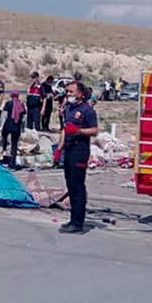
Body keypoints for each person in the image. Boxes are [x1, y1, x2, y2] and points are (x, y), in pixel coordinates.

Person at [57, 80, 98, 233]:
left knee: (78, 186)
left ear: (80, 94)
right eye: (67, 92)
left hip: (79, 152)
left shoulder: (87, 111)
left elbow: (94, 131)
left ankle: (78, 223)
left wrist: (79, 131)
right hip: (68, 150)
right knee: (70, 186)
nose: (68, 95)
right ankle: (73, 219)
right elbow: (64, 129)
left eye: (71, 92)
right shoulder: (68, 108)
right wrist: (59, 149)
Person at [0, 91, 27, 169]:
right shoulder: (21, 105)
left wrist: (1, 126)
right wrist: (22, 128)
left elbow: (4, 116)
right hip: (16, 127)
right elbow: (23, 119)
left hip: (7, 126)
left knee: (4, 138)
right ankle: (12, 163)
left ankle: (4, 152)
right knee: (14, 146)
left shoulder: (8, 103)